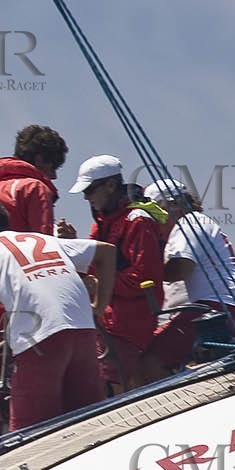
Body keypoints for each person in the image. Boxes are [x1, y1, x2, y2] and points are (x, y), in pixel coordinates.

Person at [0, 199, 116, 431]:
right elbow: (107, 252)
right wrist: (99, 307)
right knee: (92, 422)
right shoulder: (41, 239)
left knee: (30, 435)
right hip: (83, 329)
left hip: (39, 340)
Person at [58, 154, 165, 393]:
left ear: (110, 185)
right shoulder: (102, 222)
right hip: (106, 319)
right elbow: (95, 267)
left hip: (129, 322)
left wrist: (99, 282)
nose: (86, 197)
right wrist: (74, 246)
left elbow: (144, 279)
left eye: (90, 190)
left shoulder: (138, 220)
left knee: (105, 388)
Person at [138, 177, 235, 382]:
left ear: (172, 205)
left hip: (214, 309)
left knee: (148, 363)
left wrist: (142, 269)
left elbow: (181, 269)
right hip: (230, 308)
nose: (153, 223)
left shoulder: (188, 223)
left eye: (155, 213)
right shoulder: (200, 223)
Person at [0, 124, 69, 251]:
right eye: (53, 167)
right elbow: (44, 248)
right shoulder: (34, 188)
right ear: (39, 160)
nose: (54, 176)